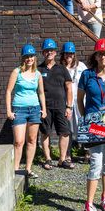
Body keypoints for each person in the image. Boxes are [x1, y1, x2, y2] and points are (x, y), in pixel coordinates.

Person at [77, 38, 105, 211]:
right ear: (95, 55)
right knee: (95, 162)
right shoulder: (86, 75)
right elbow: (79, 100)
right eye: (100, 53)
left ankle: (104, 197)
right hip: (93, 123)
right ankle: (89, 203)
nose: (104, 56)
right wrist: (86, 120)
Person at [6, 44, 47, 178]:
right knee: (18, 141)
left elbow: (41, 93)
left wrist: (43, 109)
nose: (29, 59)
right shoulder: (16, 72)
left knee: (32, 139)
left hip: (35, 109)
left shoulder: (38, 74)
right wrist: (8, 111)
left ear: (35, 58)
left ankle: (28, 169)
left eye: (31, 56)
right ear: (23, 58)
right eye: (27, 56)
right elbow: (8, 91)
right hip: (19, 109)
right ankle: (16, 169)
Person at [38, 38, 73, 170]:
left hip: (61, 106)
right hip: (45, 108)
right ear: (43, 52)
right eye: (47, 50)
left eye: (51, 50)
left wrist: (69, 106)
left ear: (55, 52)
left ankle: (62, 159)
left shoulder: (62, 69)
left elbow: (69, 88)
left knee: (64, 132)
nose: (49, 52)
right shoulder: (39, 70)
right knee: (45, 132)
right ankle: (48, 159)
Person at [60, 41, 87, 166]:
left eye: (71, 53)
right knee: (68, 129)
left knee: (84, 126)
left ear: (74, 54)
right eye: (66, 53)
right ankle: (67, 154)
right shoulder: (60, 67)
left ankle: (87, 153)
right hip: (67, 103)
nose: (68, 55)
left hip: (81, 101)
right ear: (63, 54)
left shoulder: (81, 66)